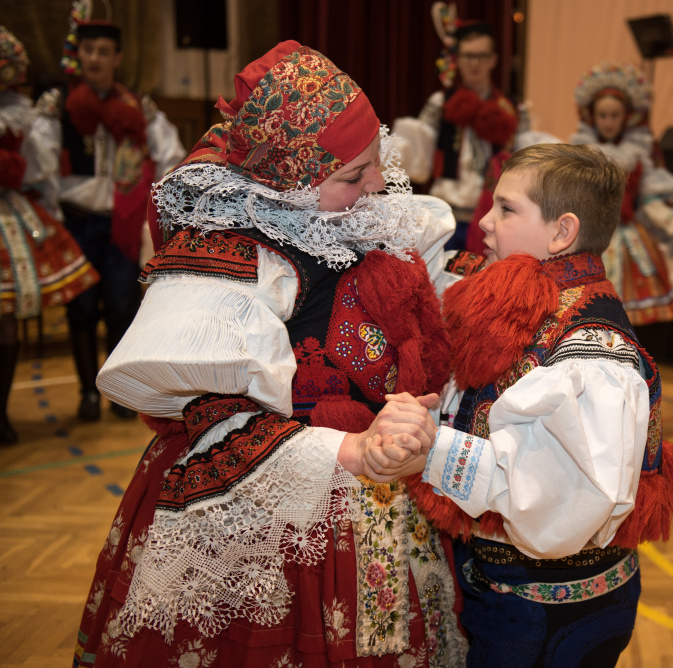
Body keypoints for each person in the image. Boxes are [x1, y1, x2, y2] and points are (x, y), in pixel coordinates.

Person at [72, 41, 468, 667]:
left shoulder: (362, 217)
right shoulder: (231, 261)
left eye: (376, 160)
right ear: (287, 180)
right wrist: (352, 450)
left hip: (384, 481)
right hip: (267, 507)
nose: (377, 185)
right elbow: (217, 417)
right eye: (352, 175)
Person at [405, 143, 673, 667]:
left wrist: (431, 448)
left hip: (548, 609)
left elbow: (553, 507)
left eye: (507, 209)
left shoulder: (592, 356)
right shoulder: (528, 297)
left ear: (562, 233)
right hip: (508, 590)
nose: (484, 221)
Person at [31, 19, 186, 422]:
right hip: (74, 223)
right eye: (88, 51)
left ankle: (118, 392)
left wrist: (152, 207)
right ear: (78, 55)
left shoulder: (137, 107)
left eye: (103, 52)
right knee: (81, 309)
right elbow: (39, 165)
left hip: (120, 224)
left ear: (117, 58)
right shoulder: (58, 104)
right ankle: (87, 393)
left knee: (121, 307)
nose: (95, 59)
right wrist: (50, 218)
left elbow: (171, 156)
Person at [0, 26, 99, 444]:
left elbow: (34, 169)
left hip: (8, 213)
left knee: (6, 322)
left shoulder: (17, 116)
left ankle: (0, 413)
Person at [569, 63, 673, 326]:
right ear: (592, 116)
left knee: (626, 317)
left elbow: (649, 198)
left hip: (628, 235)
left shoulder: (637, 153)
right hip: (590, 236)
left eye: (614, 115)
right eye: (602, 115)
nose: (608, 122)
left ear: (627, 116)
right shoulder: (582, 152)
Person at [393, 21, 519, 251]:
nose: (475, 63)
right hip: (446, 216)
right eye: (468, 55)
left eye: (482, 56)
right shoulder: (440, 103)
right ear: (457, 59)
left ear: (493, 59)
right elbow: (416, 156)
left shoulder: (510, 107)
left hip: (494, 217)